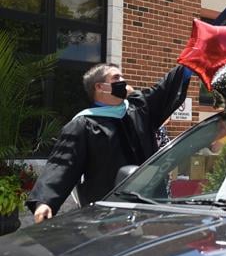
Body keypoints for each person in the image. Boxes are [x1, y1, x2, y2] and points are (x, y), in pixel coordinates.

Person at [27, 63, 190, 223]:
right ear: (100, 87)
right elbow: (62, 164)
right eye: (116, 77)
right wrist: (45, 201)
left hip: (149, 208)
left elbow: (164, 89)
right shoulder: (83, 124)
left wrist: (188, 66)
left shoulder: (139, 109)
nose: (123, 81)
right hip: (107, 215)